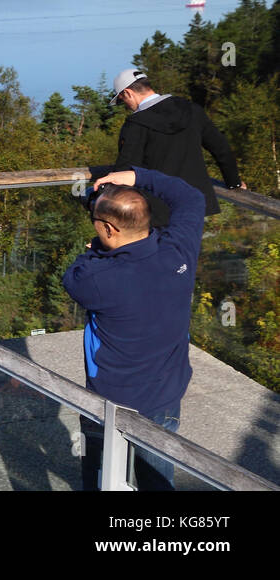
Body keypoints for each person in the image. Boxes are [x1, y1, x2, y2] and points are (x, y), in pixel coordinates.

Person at [62, 167, 204, 490]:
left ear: (110, 229)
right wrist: (136, 178)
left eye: (98, 226)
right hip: (165, 395)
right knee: (157, 479)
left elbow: (73, 275)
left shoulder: (96, 277)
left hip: (109, 401)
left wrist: (94, 250)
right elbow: (191, 197)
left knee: (101, 476)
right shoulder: (179, 248)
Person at [110, 68, 245, 215]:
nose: (127, 106)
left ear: (128, 93)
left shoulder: (135, 124)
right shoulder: (192, 109)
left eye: (123, 100)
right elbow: (221, 148)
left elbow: (125, 170)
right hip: (196, 203)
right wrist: (234, 182)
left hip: (157, 208)